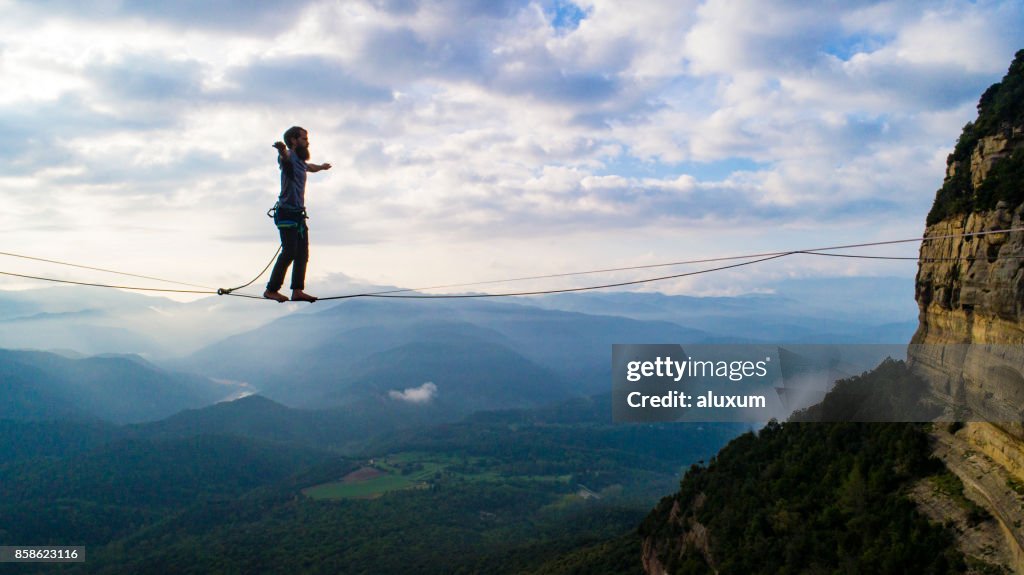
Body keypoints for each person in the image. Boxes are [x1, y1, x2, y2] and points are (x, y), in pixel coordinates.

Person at [263, 126, 331, 303]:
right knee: (290, 251)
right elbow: (283, 159)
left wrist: (322, 167)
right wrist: (282, 150)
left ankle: (297, 290)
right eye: (304, 138)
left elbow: (311, 167)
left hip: (298, 214)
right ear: (294, 140)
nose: (307, 142)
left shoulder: (300, 161)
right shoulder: (289, 157)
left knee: (302, 253)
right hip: (286, 213)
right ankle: (271, 290)